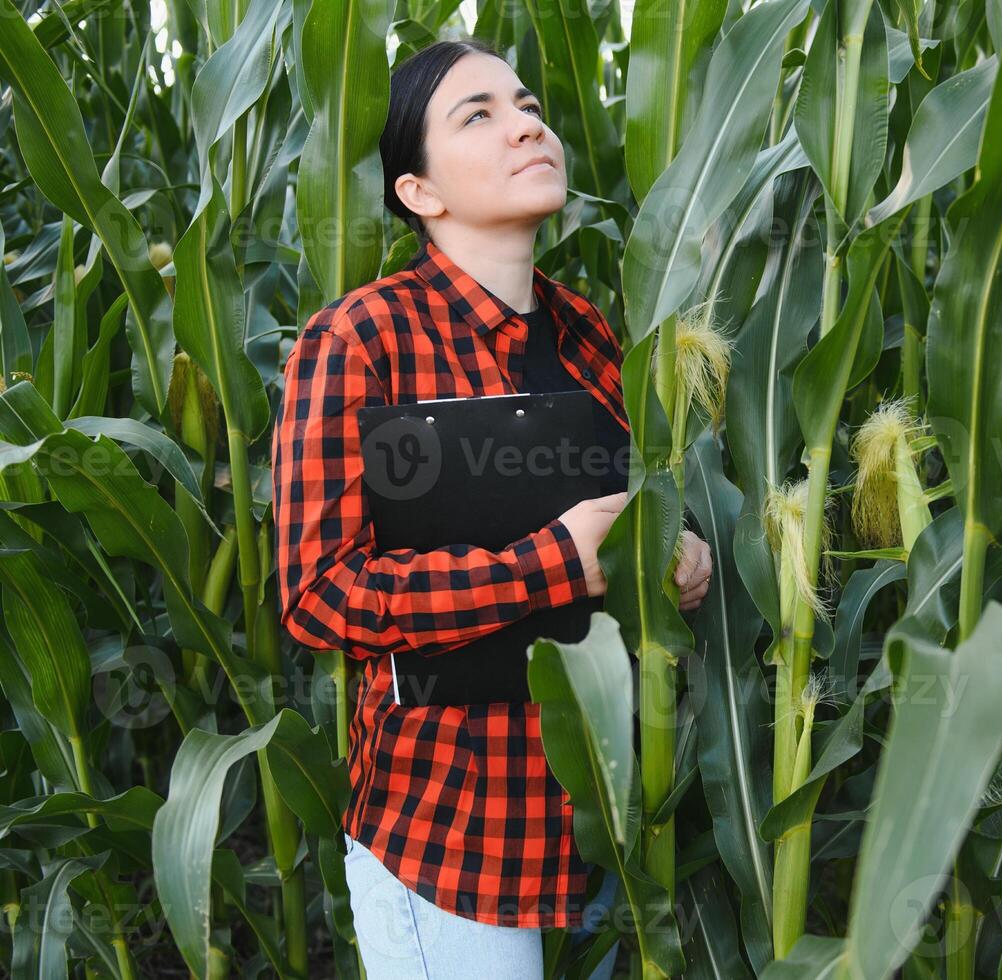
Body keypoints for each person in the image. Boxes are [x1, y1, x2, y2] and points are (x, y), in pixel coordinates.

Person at [270, 37, 713, 978]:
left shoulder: (590, 331)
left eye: (526, 105)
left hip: (596, 823)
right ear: (419, 194)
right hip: (452, 845)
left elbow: (620, 523)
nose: (527, 125)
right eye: (478, 116)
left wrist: (673, 557)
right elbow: (319, 595)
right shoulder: (359, 341)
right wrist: (554, 563)